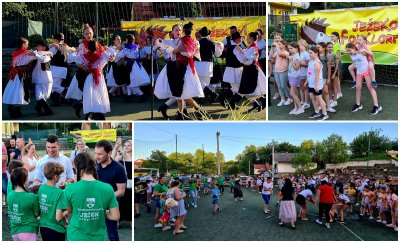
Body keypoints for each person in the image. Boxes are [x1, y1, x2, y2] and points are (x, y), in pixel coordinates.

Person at [154, 22, 205, 120]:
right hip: (173, 68)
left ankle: (184, 113)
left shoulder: (189, 41)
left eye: (180, 30)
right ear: (172, 32)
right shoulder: (169, 42)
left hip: (186, 68)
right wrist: (177, 50)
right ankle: (185, 113)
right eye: (176, 30)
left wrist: (195, 48)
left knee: (183, 93)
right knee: (179, 93)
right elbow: (167, 55)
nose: (179, 31)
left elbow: (194, 55)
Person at [64, 152, 120, 241]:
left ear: (76, 167)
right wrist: (99, 211)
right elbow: (115, 216)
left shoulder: (69, 188)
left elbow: (70, 210)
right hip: (98, 237)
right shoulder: (108, 188)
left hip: (76, 236)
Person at [95, 140, 127, 241]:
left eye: (100, 154)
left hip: (110, 206)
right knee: (93, 232)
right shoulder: (95, 165)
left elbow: (121, 191)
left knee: (112, 233)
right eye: (95, 153)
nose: (96, 156)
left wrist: (103, 199)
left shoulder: (118, 168)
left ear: (109, 153)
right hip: (94, 205)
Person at [233, 32, 266, 112]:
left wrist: (240, 51)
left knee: (247, 89)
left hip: (250, 70)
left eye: (248, 37)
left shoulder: (252, 48)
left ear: (251, 38)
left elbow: (245, 59)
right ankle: (258, 103)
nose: (247, 39)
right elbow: (246, 57)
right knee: (249, 89)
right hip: (249, 70)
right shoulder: (252, 47)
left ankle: (259, 102)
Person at [345, 43, 381, 115]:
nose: (349, 52)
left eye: (350, 50)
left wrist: (372, 64)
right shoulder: (351, 55)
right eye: (347, 51)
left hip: (366, 71)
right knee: (358, 88)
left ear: (354, 48)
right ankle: (358, 105)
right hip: (359, 72)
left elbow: (371, 55)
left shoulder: (362, 52)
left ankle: (376, 106)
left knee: (370, 88)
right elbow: (355, 62)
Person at [114, 34, 150, 100]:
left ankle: (141, 95)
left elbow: (119, 55)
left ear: (127, 40)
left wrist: (115, 60)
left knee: (129, 81)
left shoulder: (125, 48)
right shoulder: (136, 46)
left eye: (126, 39)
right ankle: (129, 96)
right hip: (136, 64)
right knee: (131, 81)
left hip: (130, 65)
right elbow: (137, 55)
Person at [7, 167, 39, 241]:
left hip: (14, 231)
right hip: (28, 230)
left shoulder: (10, 194)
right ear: (24, 180)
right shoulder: (32, 197)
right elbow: (36, 213)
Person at [37, 162, 67, 240]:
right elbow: (58, 217)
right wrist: (68, 211)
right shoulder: (60, 193)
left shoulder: (41, 188)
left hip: (43, 228)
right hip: (56, 230)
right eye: (59, 175)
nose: (60, 177)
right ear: (55, 177)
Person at [194, 26, 223, 104]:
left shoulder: (197, 43)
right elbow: (218, 54)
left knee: (200, 84)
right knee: (205, 84)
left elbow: (193, 54)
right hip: (209, 65)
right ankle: (205, 99)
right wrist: (220, 47)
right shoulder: (212, 43)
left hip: (199, 64)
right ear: (208, 34)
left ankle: (209, 96)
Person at [305, 46, 329, 120]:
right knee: (312, 98)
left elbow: (317, 76)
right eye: (309, 53)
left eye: (311, 53)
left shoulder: (317, 63)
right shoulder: (311, 61)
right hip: (311, 83)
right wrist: (306, 81)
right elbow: (309, 72)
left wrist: (316, 86)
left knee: (319, 99)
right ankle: (317, 112)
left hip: (317, 84)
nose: (309, 54)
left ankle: (325, 114)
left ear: (316, 53)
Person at [32, 40, 54, 116]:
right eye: (37, 46)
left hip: (46, 79)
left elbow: (42, 60)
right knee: (39, 96)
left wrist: (36, 54)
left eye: (39, 46)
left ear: (44, 47)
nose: (37, 47)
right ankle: (49, 110)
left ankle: (38, 108)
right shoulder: (35, 54)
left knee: (46, 97)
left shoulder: (48, 55)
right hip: (37, 79)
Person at [114, 140, 133, 223]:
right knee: (121, 201)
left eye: (129, 145)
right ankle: (119, 220)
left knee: (130, 202)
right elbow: (113, 163)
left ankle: (130, 221)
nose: (126, 147)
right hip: (122, 182)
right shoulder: (121, 156)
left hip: (132, 182)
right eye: (125, 145)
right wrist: (116, 149)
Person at [271, 40, 292, 107]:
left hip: (283, 71)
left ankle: (290, 98)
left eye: (280, 44)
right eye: (278, 44)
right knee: (279, 86)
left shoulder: (286, 52)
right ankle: (283, 99)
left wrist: (276, 46)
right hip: (276, 71)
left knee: (284, 86)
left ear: (284, 45)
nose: (278, 45)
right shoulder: (277, 52)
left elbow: (280, 54)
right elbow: (271, 56)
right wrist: (271, 48)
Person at [287, 42, 303, 115]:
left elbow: (297, 68)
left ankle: (300, 108)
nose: (289, 50)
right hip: (291, 75)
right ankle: (296, 107)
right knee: (295, 93)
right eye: (289, 48)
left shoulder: (297, 57)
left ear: (296, 48)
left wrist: (290, 60)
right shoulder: (292, 55)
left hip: (295, 76)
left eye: (291, 48)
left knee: (292, 93)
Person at [298, 39, 310, 109]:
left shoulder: (306, 54)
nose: (299, 47)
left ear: (304, 46)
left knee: (305, 88)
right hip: (299, 73)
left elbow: (308, 64)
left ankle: (307, 102)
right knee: (301, 88)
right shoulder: (299, 53)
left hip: (304, 73)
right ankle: (302, 101)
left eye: (300, 46)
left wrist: (300, 64)